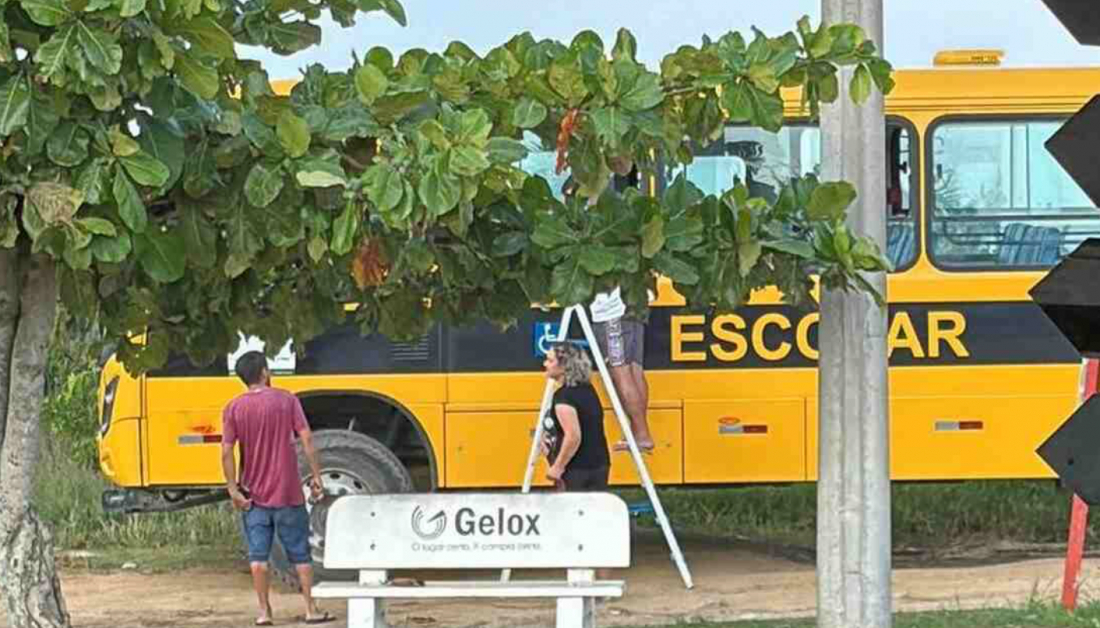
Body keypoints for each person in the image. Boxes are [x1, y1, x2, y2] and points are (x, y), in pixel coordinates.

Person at [221, 351, 334, 626]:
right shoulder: (287, 400)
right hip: (288, 494)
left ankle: (264, 613)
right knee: (300, 554)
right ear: (265, 372)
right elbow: (306, 438)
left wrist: (233, 489)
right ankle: (310, 610)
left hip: (254, 498)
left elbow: (226, 452)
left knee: (258, 557)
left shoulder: (233, 408)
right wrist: (317, 476)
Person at [590, 286, 655, 453]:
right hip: (635, 303)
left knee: (621, 372)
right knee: (635, 370)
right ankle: (638, 432)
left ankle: (641, 433)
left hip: (611, 310)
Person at [541, 341, 611, 491]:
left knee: (571, 512)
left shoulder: (563, 396)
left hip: (577, 469)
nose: (545, 364)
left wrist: (558, 466)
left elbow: (573, 436)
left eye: (550, 360)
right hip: (600, 463)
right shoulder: (588, 389)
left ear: (564, 365)